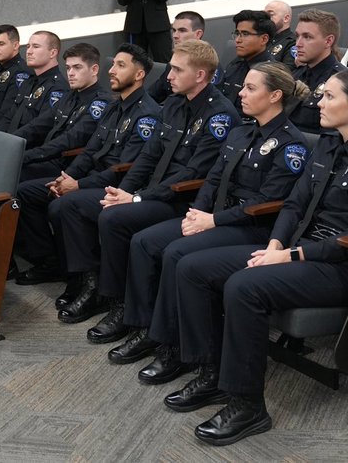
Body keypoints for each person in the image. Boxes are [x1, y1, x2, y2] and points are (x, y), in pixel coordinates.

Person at [173, 69, 348, 446]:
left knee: (243, 288)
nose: (319, 103)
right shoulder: (328, 144)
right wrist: (277, 244)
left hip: (340, 265)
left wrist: (292, 255)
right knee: (193, 267)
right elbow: (294, 204)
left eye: (330, 97)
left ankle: (248, 405)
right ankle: (211, 372)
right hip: (296, 249)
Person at [107, 63, 311, 379]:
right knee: (145, 241)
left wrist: (212, 220)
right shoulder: (242, 131)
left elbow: (265, 204)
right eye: (243, 86)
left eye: (251, 88)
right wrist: (196, 214)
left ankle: (178, 350)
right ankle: (146, 327)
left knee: (177, 253)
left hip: (251, 228)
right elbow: (213, 180)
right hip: (215, 218)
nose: (241, 93)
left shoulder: (290, 145)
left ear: (275, 96)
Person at [56, 40, 236, 325]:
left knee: (113, 218)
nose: (168, 76)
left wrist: (138, 198)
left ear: (200, 75)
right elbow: (148, 156)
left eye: (177, 69)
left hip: (182, 200)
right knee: (77, 206)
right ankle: (98, 287)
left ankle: (118, 303)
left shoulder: (220, 116)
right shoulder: (175, 104)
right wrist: (124, 190)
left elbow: (193, 172)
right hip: (152, 191)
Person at [13, 44, 159, 285]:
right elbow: (91, 150)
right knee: (26, 192)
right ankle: (53, 263)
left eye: (120, 66)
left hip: (117, 187)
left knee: (63, 205)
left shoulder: (146, 115)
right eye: (113, 64)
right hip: (93, 177)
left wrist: (78, 184)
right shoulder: (115, 106)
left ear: (139, 74)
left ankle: (87, 281)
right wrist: (66, 178)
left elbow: (123, 170)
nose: (111, 70)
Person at [19, 43, 108, 180]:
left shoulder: (100, 103)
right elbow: (37, 125)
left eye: (77, 67)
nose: (70, 73)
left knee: (13, 173)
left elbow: (70, 139)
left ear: (94, 70)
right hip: (48, 157)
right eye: (68, 68)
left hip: (67, 166)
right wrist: (11, 143)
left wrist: (27, 156)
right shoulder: (70, 95)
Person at [0, 30, 69, 136]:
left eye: (36, 46)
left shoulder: (58, 88)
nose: (29, 51)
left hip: (27, 147)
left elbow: (39, 127)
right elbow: (9, 116)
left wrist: (10, 141)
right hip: (9, 142)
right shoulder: (29, 82)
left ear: (52, 53)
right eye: (28, 46)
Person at [289, 9, 346, 134]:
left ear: (328, 41)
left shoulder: (342, 82)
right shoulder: (296, 75)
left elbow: (331, 139)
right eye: (297, 36)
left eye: (307, 37)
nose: (298, 44)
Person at [217, 10, 274, 114]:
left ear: (264, 39)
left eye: (245, 34)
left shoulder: (272, 73)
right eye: (237, 34)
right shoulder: (234, 65)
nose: (238, 40)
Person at [148, 11, 210, 102]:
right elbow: (153, 94)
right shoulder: (174, 62)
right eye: (174, 30)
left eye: (182, 30)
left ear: (198, 34)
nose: (175, 36)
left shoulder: (208, 64)